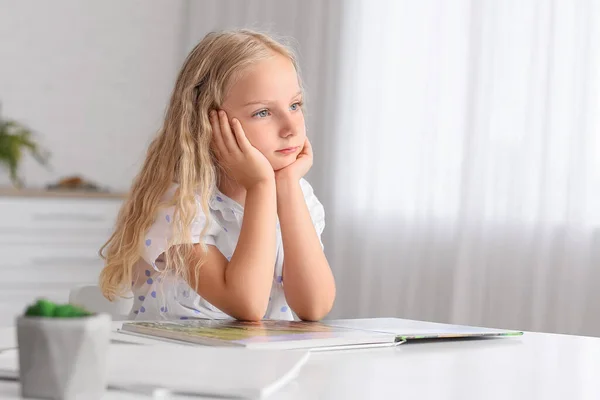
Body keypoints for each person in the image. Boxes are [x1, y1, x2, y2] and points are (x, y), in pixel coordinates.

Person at [99, 29, 336, 322]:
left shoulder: (296, 193)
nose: (290, 127)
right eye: (263, 112)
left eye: (294, 105)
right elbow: (247, 304)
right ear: (210, 123)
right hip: (179, 363)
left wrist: (286, 187)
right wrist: (261, 186)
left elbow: (314, 306)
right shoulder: (181, 202)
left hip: (261, 364)